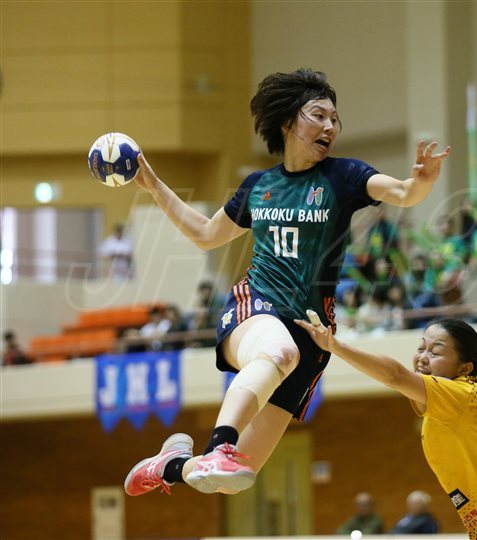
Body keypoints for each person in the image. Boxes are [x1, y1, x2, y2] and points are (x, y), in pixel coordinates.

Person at [123, 68, 450, 496]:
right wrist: (152, 185)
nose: (330, 126)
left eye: (334, 118)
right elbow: (205, 234)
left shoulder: (344, 177)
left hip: (312, 334)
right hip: (256, 305)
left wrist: (421, 182)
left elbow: (403, 193)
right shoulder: (260, 185)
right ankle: (220, 445)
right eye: (318, 115)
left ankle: (171, 465)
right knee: (278, 352)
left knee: (230, 481)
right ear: (287, 123)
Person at [295, 315, 477, 539]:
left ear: (465, 368)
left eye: (435, 352)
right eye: (421, 348)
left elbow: (395, 376)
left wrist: (335, 346)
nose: (423, 357)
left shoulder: (460, 394)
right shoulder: (449, 404)